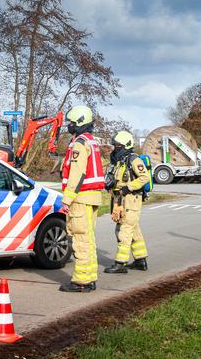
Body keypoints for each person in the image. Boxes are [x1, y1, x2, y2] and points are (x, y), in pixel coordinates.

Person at [59, 105, 105, 293]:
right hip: (92, 197)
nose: (68, 125)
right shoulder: (91, 141)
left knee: (80, 240)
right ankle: (89, 277)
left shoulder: (79, 143)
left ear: (79, 122)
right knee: (88, 239)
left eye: (70, 122)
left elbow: (77, 174)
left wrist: (67, 200)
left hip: (81, 198)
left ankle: (81, 281)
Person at [103, 131, 149, 274]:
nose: (115, 148)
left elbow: (144, 177)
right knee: (133, 230)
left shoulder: (133, 159)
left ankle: (120, 263)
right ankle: (140, 261)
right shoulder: (119, 161)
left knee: (123, 231)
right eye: (115, 145)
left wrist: (128, 188)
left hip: (131, 199)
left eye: (119, 145)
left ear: (126, 145)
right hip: (120, 199)